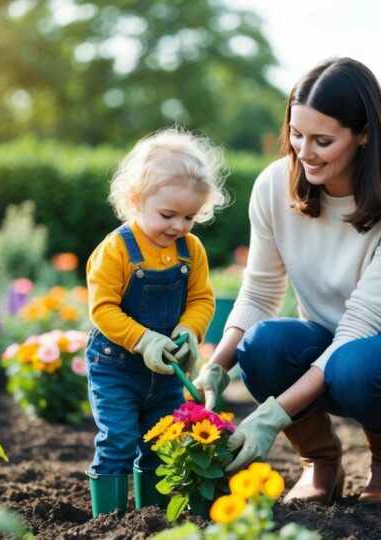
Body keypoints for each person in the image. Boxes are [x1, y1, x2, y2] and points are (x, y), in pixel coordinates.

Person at [192, 57, 381, 507]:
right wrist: (216, 366)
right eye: (296, 134)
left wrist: (272, 416)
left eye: (322, 140)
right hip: (334, 346)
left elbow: (361, 326)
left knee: (355, 365)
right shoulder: (273, 186)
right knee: (262, 346)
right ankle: (320, 463)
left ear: (363, 134)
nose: (304, 151)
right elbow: (259, 291)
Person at [84, 127, 227, 516]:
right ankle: (107, 522)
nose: (178, 226)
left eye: (189, 217)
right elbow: (103, 309)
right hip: (116, 366)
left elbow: (201, 298)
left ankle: (153, 516)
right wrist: (144, 339)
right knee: (117, 438)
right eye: (167, 214)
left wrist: (189, 331)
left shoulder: (190, 250)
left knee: (160, 442)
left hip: (166, 371)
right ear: (136, 200)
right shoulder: (116, 250)